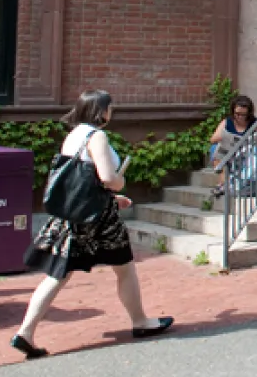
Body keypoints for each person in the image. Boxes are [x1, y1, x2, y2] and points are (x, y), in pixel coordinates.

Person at [13, 90, 172, 359]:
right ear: (101, 111)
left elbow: (81, 182)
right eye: (110, 108)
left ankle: (25, 332)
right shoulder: (97, 136)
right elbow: (107, 177)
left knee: (58, 274)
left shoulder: (73, 135)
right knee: (124, 268)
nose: (112, 112)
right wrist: (119, 184)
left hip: (73, 214)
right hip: (99, 219)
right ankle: (141, 321)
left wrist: (110, 197)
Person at [208, 95, 257, 198]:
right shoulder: (227, 122)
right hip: (229, 150)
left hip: (246, 152)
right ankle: (224, 184)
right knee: (215, 149)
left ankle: (228, 186)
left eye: (243, 114)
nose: (240, 117)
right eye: (237, 114)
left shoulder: (255, 123)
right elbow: (212, 139)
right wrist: (224, 136)